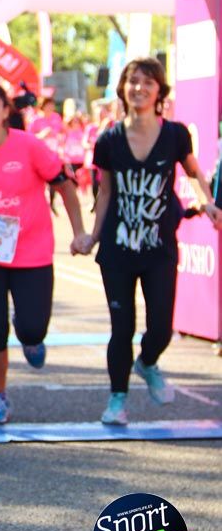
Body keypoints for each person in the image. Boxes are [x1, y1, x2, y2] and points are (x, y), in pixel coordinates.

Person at [75, 58, 222, 425]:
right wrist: (93, 235)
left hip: (159, 248)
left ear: (159, 91)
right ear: (123, 89)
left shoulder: (174, 134)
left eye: (147, 82)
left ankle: (148, 362)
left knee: (160, 328)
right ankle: (117, 401)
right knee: (120, 328)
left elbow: (193, 173)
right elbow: (106, 193)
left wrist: (208, 204)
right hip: (117, 250)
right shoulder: (108, 138)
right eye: (132, 81)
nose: (138, 88)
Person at [0, 83, 89, 424]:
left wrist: (80, 232)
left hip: (32, 253)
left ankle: (29, 335)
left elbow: (65, 186)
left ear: (5, 112)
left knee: (31, 330)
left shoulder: (29, 147)